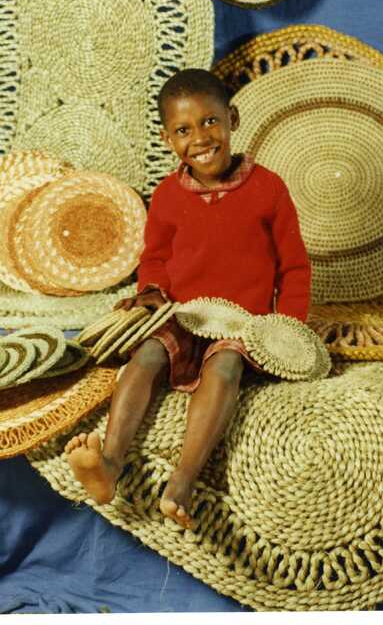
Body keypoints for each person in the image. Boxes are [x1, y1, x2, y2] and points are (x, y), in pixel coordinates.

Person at [65, 68, 311, 528]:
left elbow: (294, 268)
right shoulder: (166, 195)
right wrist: (150, 294)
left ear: (232, 118)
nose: (199, 138)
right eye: (183, 130)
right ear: (167, 139)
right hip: (184, 315)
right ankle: (110, 463)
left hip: (242, 325)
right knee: (147, 355)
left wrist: (287, 330)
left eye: (210, 121)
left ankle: (182, 481)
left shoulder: (268, 189)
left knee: (225, 366)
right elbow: (155, 259)